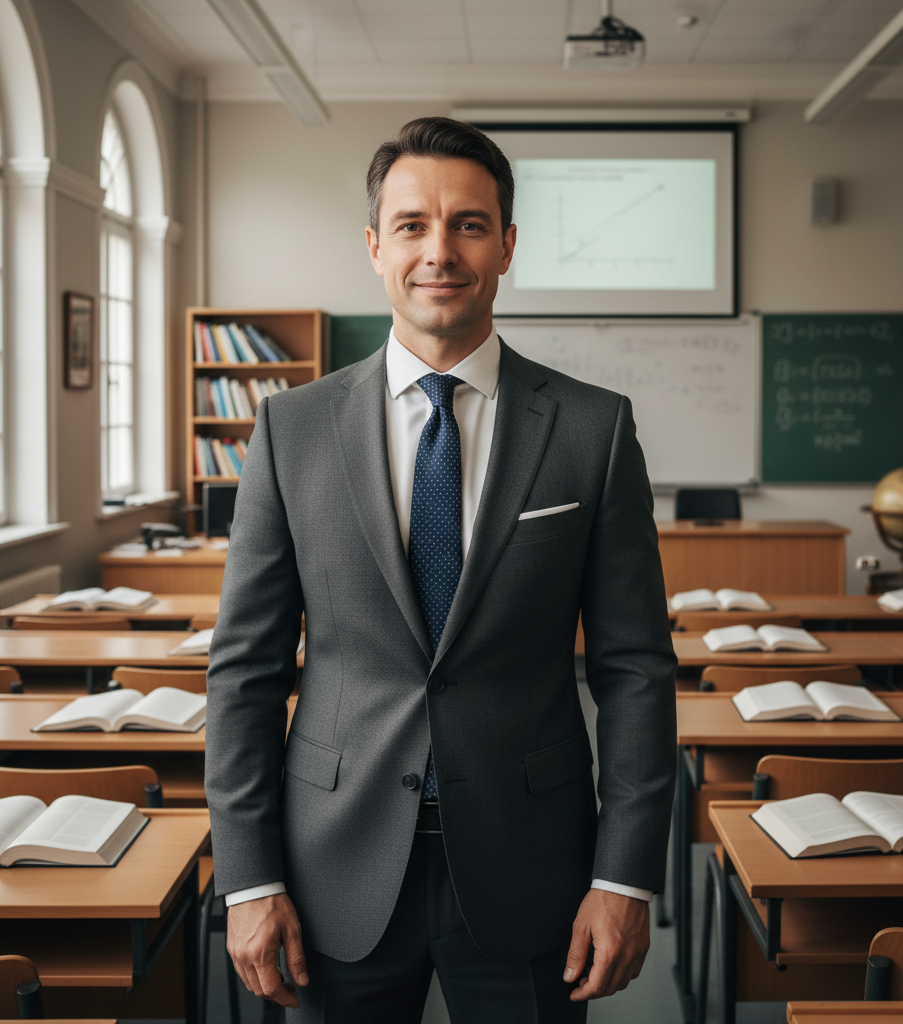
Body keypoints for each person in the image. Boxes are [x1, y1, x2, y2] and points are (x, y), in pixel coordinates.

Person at [205, 116, 677, 1024]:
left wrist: (626, 875)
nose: (440, 251)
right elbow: (245, 674)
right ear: (376, 245)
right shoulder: (289, 430)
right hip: (326, 869)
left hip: (532, 861)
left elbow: (635, 671)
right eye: (413, 224)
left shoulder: (593, 429)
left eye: (468, 224)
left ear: (506, 246)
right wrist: (249, 877)